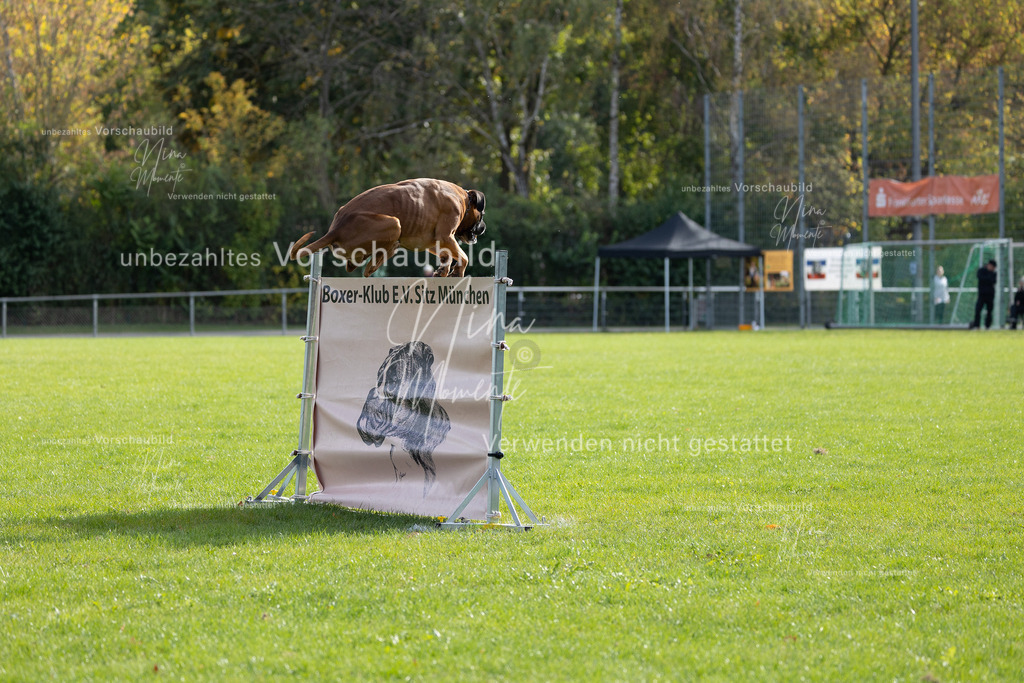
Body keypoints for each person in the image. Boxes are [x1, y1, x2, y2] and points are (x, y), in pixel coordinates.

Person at [969, 259, 998, 330]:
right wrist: (988, 279)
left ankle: (987, 326)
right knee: (978, 309)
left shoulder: (994, 273)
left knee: (989, 311)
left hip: (990, 295)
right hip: (982, 294)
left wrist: (987, 279)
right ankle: (977, 325)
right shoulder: (982, 270)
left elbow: (993, 281)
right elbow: (980, 278)